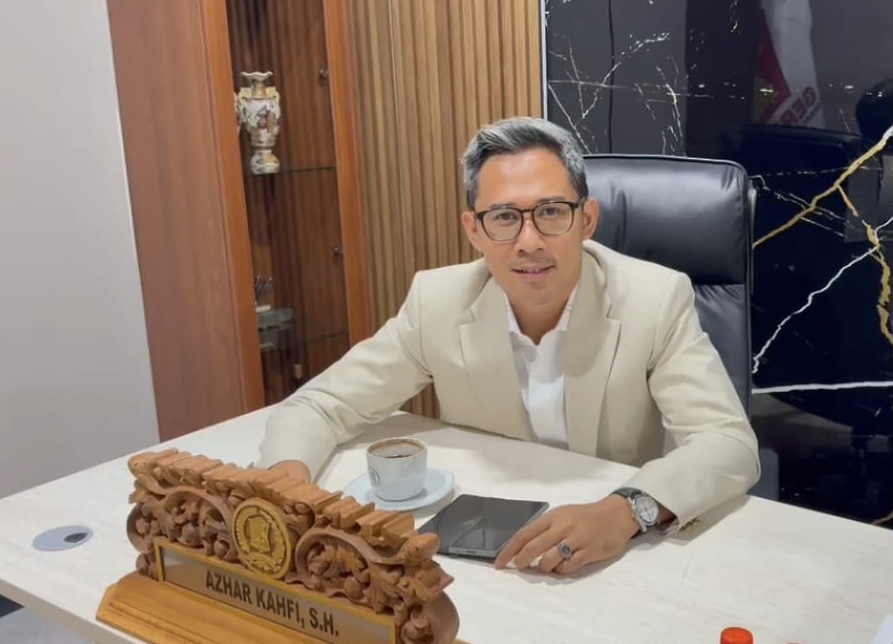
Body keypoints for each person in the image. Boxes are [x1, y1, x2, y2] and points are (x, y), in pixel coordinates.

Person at [256, 116, 761, 575]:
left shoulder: (655, 299)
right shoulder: (438, 302)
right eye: (503, 217)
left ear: (587, 219)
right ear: (473, 230)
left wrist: (626, 510)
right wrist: (287, 483)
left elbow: (727, 442)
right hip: (483, 551)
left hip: (616, 553)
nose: (529, 242)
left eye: (551, 212)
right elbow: (320, 405)